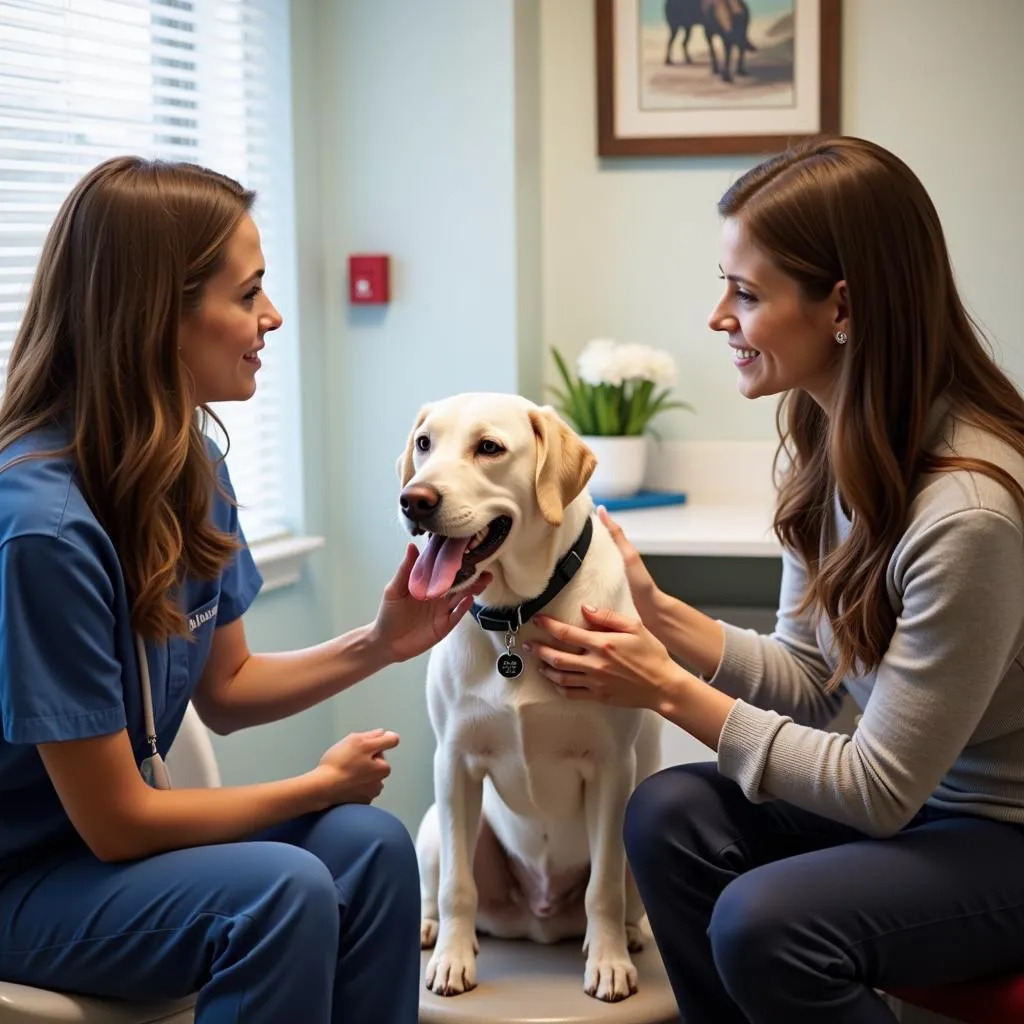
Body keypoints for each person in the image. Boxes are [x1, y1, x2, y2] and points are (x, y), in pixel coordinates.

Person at [525, 134, 1024, 1023]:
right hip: (921, 809)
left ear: (844, 306)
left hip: (996, 834)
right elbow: (808, 678)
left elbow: (877, 788)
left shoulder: (968, 516)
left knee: (765, 924)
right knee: (666, 810)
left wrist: (670, 689)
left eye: (746, 293)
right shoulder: (830, 437)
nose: (720, 316)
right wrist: (665, 619)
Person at [0, 156, 487, 1024]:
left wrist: (379, 641)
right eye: (248, 293)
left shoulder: (192, 466)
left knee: (374, 850)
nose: (272, 316)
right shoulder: (44, 530)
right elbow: (116, 822)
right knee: (280, 893)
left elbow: (222, 690)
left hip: (106, 855)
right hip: (27, 876)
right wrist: (312, 786)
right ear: (158, 316)